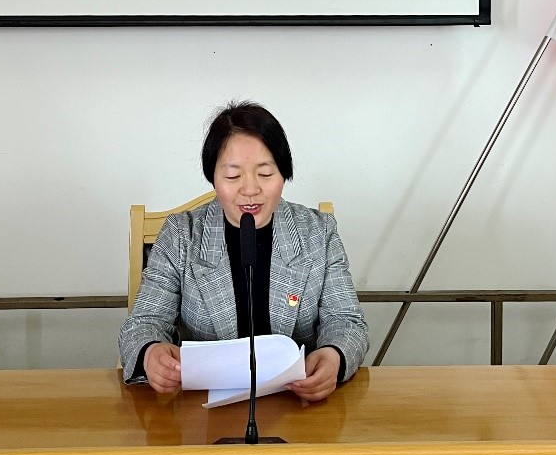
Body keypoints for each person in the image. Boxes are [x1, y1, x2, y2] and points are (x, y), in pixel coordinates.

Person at [118, 101, 369, 402]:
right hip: (202, 408)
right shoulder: (182, 235)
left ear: (284, 173)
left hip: (296, 402)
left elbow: (346, 321)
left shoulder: (318, 232)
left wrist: (334, 355)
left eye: (265, 174)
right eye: (233, 176)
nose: (250, 190)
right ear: (213, 177)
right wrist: (151, 353)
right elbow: (144, 323)